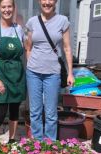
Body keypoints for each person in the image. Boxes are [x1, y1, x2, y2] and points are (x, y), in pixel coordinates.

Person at [26, 0, 74, 141]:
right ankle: (37, 143)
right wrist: (31, 64)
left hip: (53, 73)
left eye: (50, 0)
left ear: (56, 2)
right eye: (44, 0)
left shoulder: (62, 21)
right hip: (33, 72)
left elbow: (67, 48)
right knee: (35, 111)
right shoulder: (32, 22)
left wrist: (70, 73)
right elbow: (28, 47)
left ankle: (49, 144)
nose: (47, 3)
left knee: (51, 112)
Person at [0, 0, 26, 144]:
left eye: (9, 6)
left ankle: (12, 140)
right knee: (1, 113)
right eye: (4, 7)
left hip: (17, 75)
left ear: (14, 8)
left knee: (15, 110)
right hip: (1, 75)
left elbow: (26, 50)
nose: (7, 10)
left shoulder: (19, 29)